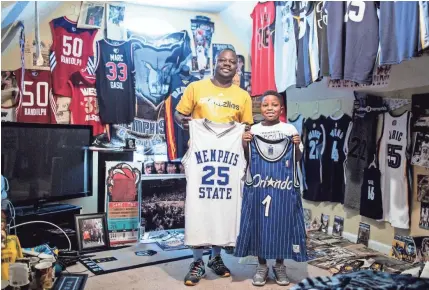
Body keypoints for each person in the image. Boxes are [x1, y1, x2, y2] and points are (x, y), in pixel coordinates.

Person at [174, 48, 253, 286]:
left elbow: (246, 127)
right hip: (202, 156)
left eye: (231, 62)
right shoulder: (196, 88)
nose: (227, 64)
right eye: (222, 61)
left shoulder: (243, 96)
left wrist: (245, 139)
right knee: (200, 207)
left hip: (228, 157)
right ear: (215, 63)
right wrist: (188, 126)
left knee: (222, 208)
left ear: (237, 67)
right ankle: (197, 260)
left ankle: (215, 257)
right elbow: (179, 115)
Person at [240, 91, 305, 286]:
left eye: (274, 105)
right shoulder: (254, 130)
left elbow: (297, 160)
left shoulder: (289, 129)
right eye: (265, 104)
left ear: (281, 109)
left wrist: (298, 144)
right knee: (260, 225)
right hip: (260, 185)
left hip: (282, 186)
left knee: (281, 225)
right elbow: (247, 159)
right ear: (260, 108)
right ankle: (261, 266)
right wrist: (245, 143)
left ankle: (279, 265)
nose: (270, 108)